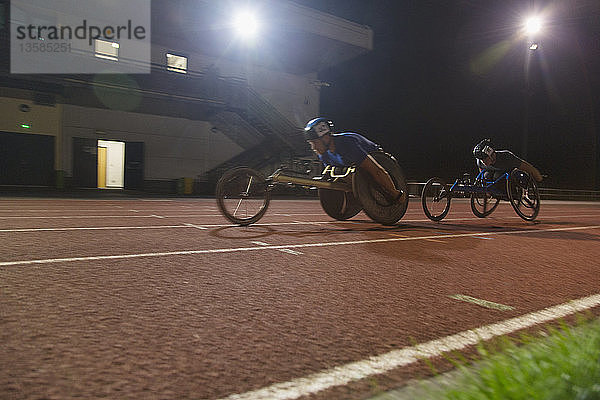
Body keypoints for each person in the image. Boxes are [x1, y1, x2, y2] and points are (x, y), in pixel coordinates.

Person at [303, 117, 404, 202]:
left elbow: (376, 170)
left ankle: (396, 193)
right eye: (311, 144)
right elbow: (333, 176)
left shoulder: (347, 144)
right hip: (354, 166)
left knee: (370, 171)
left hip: (377, 159)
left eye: (315, 143)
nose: (313, 148)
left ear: (325, 138)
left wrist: (396, 195)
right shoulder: (324, 154)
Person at [472, 139, 543, 183]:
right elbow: (481, 169)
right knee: (486, 175)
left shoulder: (506, 157)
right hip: (495, 176)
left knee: (497, 176)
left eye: (485, 158)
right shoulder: (480, 162)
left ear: (492, 155)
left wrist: (538, 177)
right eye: (481, 159)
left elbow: (526, 167)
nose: (483, 161)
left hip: (510, 176)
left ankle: (516, 192)